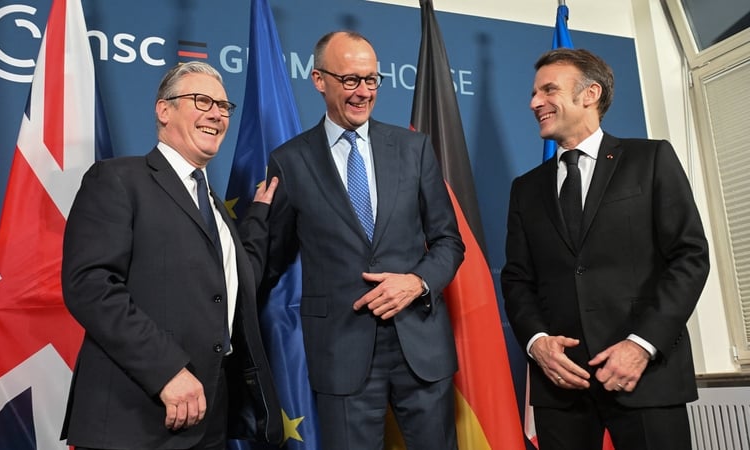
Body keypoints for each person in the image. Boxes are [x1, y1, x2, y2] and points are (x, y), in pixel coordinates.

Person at [60, 61, 282, 450]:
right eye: (202, 100)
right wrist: (167, 371)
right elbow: (91, 286)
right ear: (164, 110)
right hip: (133, 423)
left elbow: (234, 284)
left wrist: (260, 217)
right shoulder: (117, 179)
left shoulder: (214, 207)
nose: (217, 113)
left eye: (224, 106)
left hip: (207, 421)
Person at [259, 30, 464, 450]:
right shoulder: (290, 160)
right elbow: (269, 260)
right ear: (319, 80)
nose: (363, 92)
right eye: (351, 80)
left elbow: (448, 241)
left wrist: (417, 282)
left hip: (420, 347)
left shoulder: (414, 148)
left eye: (371, 80)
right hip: (340, 354)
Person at [501, 48, 710, 450]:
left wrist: (641, 345)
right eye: (533, 93)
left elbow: (690, 257)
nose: (534, 103)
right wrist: (537, 342)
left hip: (646, 377)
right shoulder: (525, 189)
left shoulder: (650, 159)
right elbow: (517, 279)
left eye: (548, 90)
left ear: (589, 93)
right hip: (561, 386)